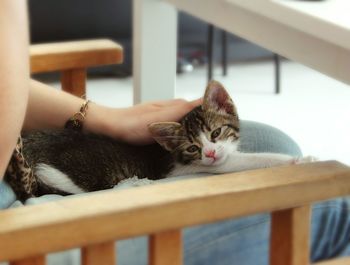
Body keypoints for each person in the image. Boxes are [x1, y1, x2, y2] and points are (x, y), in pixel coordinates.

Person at [1, 1, 350, 265]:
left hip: (16, 167)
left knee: (273, 143)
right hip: (15, 228)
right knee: (335, 207)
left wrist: (105, 118)